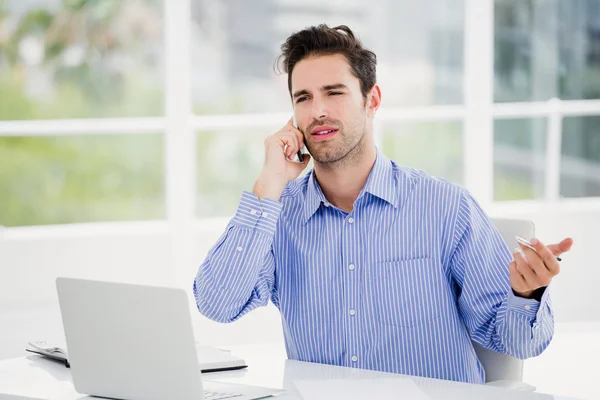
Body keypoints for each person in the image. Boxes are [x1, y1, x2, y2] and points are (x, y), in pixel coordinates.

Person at [193, 24, 573, 384]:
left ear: (371, 100)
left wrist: (527, 296)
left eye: (334, 92)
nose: (317, 111)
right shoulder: (279, 215)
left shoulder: (444, 208)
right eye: (303, 98)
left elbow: (517, 343)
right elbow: (217, 305)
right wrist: (268, 184)